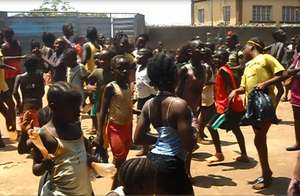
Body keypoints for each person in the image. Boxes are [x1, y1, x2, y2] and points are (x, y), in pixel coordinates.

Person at [229, 37, 285, 190]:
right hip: (252, 109)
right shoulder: (247, 66)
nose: (243, 51)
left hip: (263, 108)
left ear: (252, 46)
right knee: (260, 140)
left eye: (245, 47)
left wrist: (265, 84)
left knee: (259, 140)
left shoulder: (266, 58)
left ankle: (266, 176)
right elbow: (244, 88)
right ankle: (266, 172)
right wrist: (235, 91)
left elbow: (283, 75)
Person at [134, 54, 195, 195]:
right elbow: (189, 145)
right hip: (172, 164)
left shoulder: (148, 105)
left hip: (152, 160)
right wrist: (195, 129)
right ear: (175, 77)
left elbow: (138, 139)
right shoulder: (180, 105)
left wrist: (160, 139)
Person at [31, 82, 93, 195]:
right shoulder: (44, 135)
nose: (78, 112)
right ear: (54, 106)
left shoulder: (77, 128)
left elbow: (82, 155)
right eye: (72, 108)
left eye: (78, 107)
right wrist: (44, 165)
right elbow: (36, 169)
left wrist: (90, 159)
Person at [93, 55, 134, 188]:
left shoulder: (128, 86)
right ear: (113, 70)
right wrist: (100, 134)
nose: (124, 72)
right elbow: (102, 111)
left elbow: (127, 106)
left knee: (121, 160)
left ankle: (118, 187)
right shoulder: (111, 88)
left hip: (128, 127)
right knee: (121, 162)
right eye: (120, 69)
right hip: (115, 129)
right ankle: (116, 188)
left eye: (126, 68)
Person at [205, 48, 248, 164]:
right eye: (215, 56)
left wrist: (226, 110)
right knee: (235, 129)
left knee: (211, 126)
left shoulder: (223, 70)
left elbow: (230, 90)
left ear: (224, 59)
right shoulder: (225, 69)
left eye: (219, 57)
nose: (215, 59)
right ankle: (244, 155)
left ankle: (219, 154)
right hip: (234, 105)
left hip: (227, 106)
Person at [176, 39, 206, 177]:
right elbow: (176, 91)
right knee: (183, 143)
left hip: (194, 111)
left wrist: (199, 108)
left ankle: (185, 171)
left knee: (190, 143)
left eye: (203, 47)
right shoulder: (184, 70)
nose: (203, 49)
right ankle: (184, 172)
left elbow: (200, 91)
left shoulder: (204, 69)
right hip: (181, 111)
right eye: (199, 47)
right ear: (190, 52)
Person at [87, 49, 114, 135]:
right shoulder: (97, 72)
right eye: (101, 59)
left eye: (106, 59)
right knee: (101, 125)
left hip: (113, 104)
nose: (102, 61)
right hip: (100, 104)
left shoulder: (116, 73)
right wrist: (91, 88)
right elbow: (88, 84)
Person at [13, 54, 45, 128]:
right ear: (36, 66)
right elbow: (42, 91)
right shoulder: (39, 75)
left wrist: (18, 103)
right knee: (37, 126)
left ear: (25, 65)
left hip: (25, 105)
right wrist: (38, 98)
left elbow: (14, 92)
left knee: (26, 126)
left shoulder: (20, 77)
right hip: (38, 104)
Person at [135, 48, 156, 156]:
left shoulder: (149, 70)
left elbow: (153, 87)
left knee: (153, 123)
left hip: (150, 99)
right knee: (142, 125)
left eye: (141, 55)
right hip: (141, 99)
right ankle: (145, 147)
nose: (137, 56)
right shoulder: (139, 68)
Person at [1, 27, 22, 95]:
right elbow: (20, 55)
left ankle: (14, 103)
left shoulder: (3, 46)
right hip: (17, 66)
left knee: (10, 88)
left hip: (7, 68)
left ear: (4, 35)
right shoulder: (17, 43)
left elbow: (3, 59)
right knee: (15, 87)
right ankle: (18, 102)